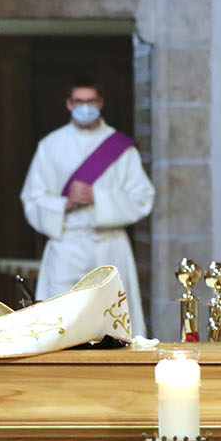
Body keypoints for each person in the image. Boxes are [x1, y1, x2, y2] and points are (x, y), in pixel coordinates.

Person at [19, 77, 155, 334]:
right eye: (79, 101)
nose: (85, 107)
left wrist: (98, 197)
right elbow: (32, 198)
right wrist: (64, 204)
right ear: (69, 105)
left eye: (91, 101)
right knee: (60, 322)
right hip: (66, 245)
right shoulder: (50, 146)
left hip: (109, 246)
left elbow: (142, 197)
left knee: (111, 321)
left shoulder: (121, 149)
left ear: (100, 103)